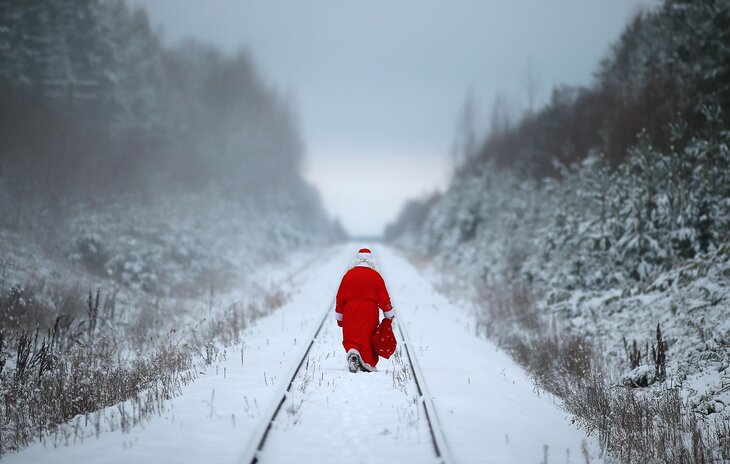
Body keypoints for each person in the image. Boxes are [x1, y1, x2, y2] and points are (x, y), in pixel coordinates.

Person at [335, 248, 395, 372]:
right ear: (371, 261)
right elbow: (384, 297)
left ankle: (352, 352)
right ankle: (367, 363)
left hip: (350, 311)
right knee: (366, 338)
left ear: (356, 260)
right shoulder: (376, 276)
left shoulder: (348, 275)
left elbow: (340, 297)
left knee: (351, 337)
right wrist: (388, 313)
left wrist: (340, 316)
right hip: (369, 312)